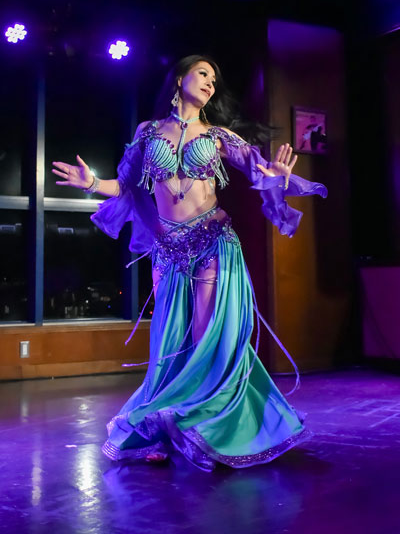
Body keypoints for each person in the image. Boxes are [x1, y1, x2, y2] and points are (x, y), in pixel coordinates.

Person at [52, 55, 327, 471]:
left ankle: (206, 426)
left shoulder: (218, 136)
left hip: (212, 240)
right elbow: (125, 185)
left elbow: (259, 171)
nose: (210, 83)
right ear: (180, 78)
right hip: (168, 248)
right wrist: (91, 182)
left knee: (205, 337)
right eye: (203, 74)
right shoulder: (147, 133)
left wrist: (278, 175)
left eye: (214, 79)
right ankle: (166, 425)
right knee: (169, 342)